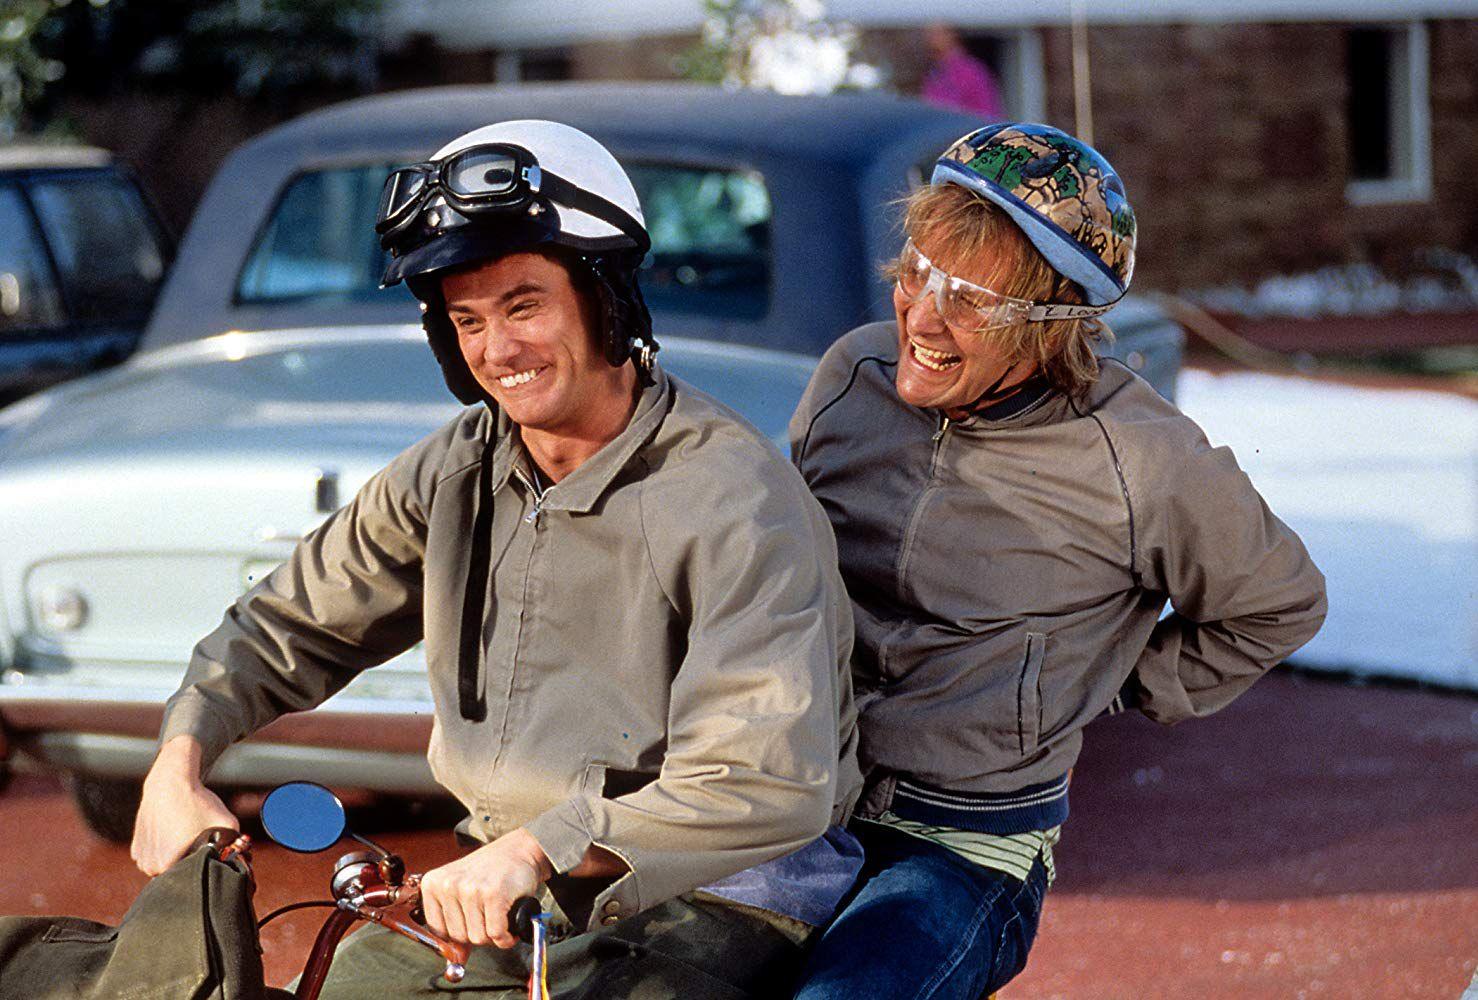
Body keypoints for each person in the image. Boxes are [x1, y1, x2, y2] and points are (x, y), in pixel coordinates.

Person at [130, 120, 864, 999]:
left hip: (719, 893)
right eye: (467, 320)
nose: (497, 350)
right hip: (510, 884)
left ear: (605, 299)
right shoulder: (456, 469)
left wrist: (538, 848)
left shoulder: (733, 498)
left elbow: (759, 781)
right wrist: (177, 765)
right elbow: (283, 623)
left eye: (523, 307)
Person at [788, 123, 1327, 999]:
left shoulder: (1142, 460)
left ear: (1051, 326)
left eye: (971, 298)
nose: (921, 316)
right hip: (802, 798)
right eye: (918, 269)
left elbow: (1280, 601)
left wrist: (1111, 684)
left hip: (961, 846)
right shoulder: (853, 375)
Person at [920, 23, 1006, 120]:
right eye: (927, 34)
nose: (929, 39)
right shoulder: (935, 72)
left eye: (935, 34)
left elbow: (988, 113)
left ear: (951, 35)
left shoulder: (971, 71)